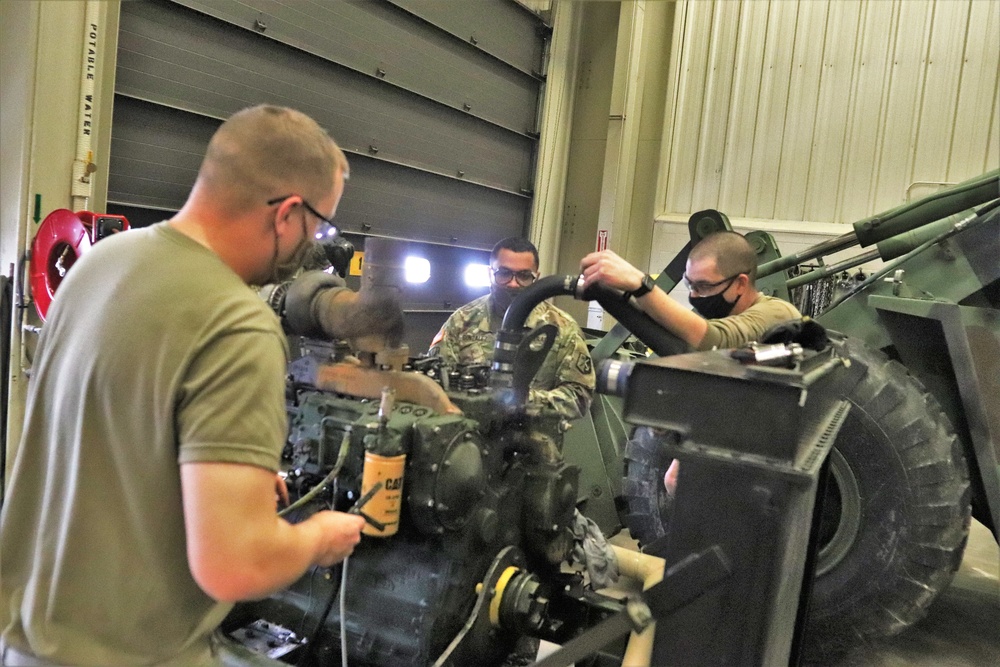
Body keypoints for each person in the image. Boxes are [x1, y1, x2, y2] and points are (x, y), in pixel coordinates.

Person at [0, 105, 368, 666]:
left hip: (28, 638)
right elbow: (235, 565)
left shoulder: (100, 263)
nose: (315, 243)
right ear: (287, 213)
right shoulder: (237, 323)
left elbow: (111, 426)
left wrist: (226, 469)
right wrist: (321, 536)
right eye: (320, 225)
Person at [580, 230, 803, 493]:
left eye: (704, 287)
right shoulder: (726, 314)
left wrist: (640, 285)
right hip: (738, 435)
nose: (695, 296)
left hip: (773, 448)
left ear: (741, 283)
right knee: (676, 482)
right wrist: (609, 292)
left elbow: (715, 340)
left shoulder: (777, 313)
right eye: (690, 285)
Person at [429, 237, 595, 420]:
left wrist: (523, 400)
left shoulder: (562, 328)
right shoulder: (462, 321)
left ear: (536, 278)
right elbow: (434, 383)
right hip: (467, 439)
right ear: (490, 273)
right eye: (504, 273)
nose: (513, 284)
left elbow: (580, 397)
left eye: (524, 276)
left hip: (532, 441)